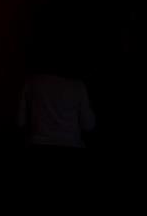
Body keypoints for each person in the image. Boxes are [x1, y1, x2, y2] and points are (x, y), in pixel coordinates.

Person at [17, 56, 96, 215]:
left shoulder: (32, 83)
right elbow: (89, 125)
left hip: (38, 155)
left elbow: (20, 121)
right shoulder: (77, 87)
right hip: (71, 157)